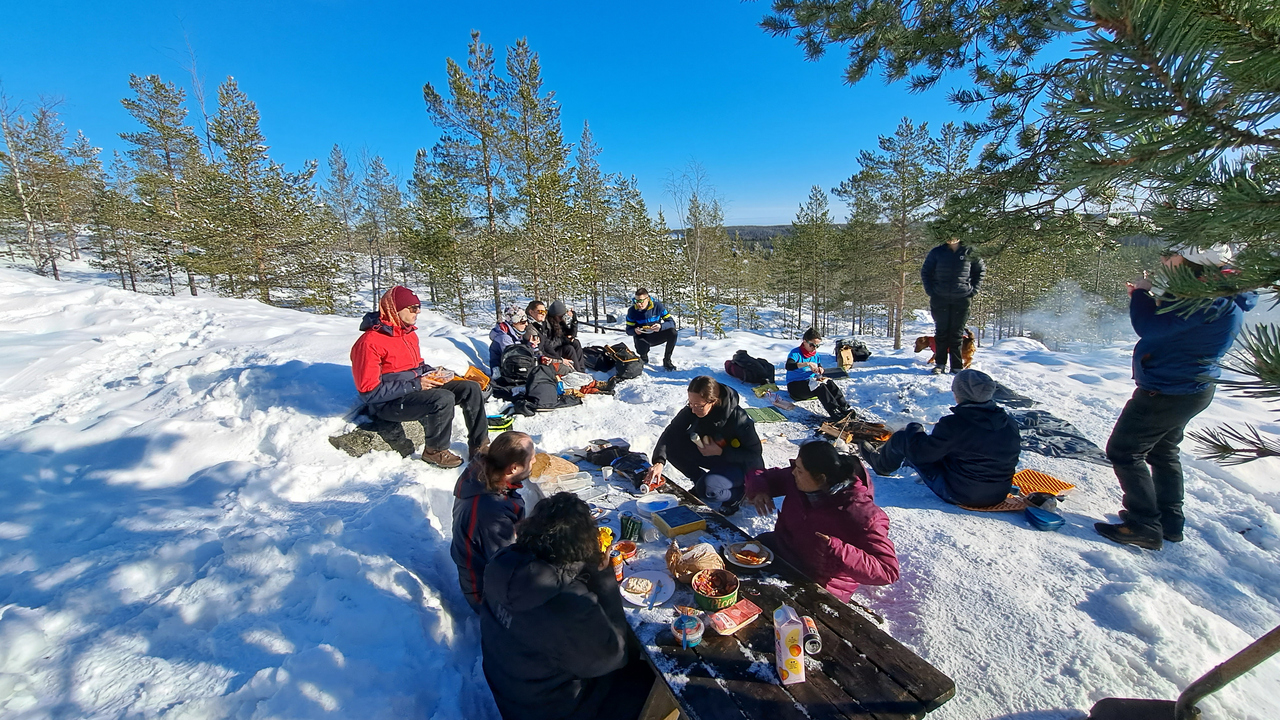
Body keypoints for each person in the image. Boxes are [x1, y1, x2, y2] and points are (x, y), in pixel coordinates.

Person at [1095, 244, 1256, 550]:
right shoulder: (1215, 295)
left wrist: (1142, 294)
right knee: (1162, 451)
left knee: (1124, 451)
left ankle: (1144, 525)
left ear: (1193, 264)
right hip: (1187, 387)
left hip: (1167, 390)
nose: (1164, 260)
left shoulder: (1206, 299)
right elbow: (1177, 326)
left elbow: (1150, 327)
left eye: (1171, 256)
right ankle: (1169, 523)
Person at [481, 492, 653, 720]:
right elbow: (616, 656)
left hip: (512, 692)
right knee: (649, 677)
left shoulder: (504, 563)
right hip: (554, 709)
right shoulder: (568, 603)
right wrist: (603, 578)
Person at [350, 285, 488, 469]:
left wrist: (434, 372)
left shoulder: (408, 334)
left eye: (419, 307)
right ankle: (435, 451)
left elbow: (417, 366)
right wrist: (416, 384)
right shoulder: (369, 342)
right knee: (443, 398)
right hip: (387, 404)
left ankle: (480, 445)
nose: (418, 312)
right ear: (394, 309)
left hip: (413, 390)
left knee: (469, 387)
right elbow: (369, 392)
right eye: (412, 308)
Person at [745, 441, 899, 603]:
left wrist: (839, 550)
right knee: (747, 553)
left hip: (819, 578)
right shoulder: (799, 479)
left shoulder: (860, 513)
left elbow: (888, 570)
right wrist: (760, 489)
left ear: (820, 478)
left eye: (799, 470)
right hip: (787, 549)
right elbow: (759, 475)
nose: (793, 473)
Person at [860, 369, 1021, 507]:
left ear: (961, 394)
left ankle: (882, 465)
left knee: (903, 438)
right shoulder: (1009, 423)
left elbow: (922, 455)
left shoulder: (955, 424)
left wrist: (913, 429)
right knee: (947, 449)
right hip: (999, 492)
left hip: (961, 494)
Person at [643, 376, 764, 509]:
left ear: (713, 401)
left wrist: (721, 452)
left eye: (699, 406)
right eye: (690, 403)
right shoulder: (694, 408)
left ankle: (737, 494)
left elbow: (755, 453)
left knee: (707, 489)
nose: (693, 410)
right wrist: (659, 461)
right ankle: (701, 480)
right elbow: (672, 432)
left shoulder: (738, 419)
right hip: (711, 455)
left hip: (738, 464)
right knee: (672, 446)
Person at [451, 431, 534, 612]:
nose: (534, 462)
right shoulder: (491, 512)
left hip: (486, 565)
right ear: (513, 468)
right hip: (486, 595)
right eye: (531, 459)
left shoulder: (482, 474)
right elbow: (507, 566)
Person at [921, 236, 985, 375]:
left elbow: (979, 271)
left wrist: (972, 290)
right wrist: (931, 291)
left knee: (956, 334)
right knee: (941, 332)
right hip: (940, 298)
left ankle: (956, 366)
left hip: (961, 299)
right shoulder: (937, 252)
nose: (950, 238)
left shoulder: (970, 252)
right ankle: (940, 364)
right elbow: (926, 271)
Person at [785, 328, 853, 420]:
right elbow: (789, 366)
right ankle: (834, 412)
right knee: (820, 387)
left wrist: (820, 369)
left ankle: (844, 407)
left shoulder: (815, 355)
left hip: (810, 382)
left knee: (829, 383)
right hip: (796, 386)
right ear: (804, 342)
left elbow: (819, 365)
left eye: (817, 346)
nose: (814, 348)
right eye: (812, 345)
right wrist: (807, 364)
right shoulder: (795, 353)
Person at [625, 288, 677, 371]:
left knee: (673, 332)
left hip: (656, 333)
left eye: (641, 301)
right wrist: (634, 330)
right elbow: (628, 330)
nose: (639, 304)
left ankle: (667, 360)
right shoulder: (632, 311)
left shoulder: (657, 306)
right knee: (640, 343)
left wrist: (661, 326)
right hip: (642, 336)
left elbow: (671, 322)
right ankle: (644, 356)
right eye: (636, 301)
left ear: (647, 299)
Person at [543, 299, 584, 370]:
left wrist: (574, 320)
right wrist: (564, 340)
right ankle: (578, 372)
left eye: (562, 316)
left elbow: (571, 334)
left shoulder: (559, 323)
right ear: (554, 315)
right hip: (552, 352)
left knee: (575, 343)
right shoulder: (547, 325)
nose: (561, 318)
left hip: (559, 347)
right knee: (569, 349)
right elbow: (548, 345)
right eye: (560, 316)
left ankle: (582, 370)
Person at [490, 305, 531, 373]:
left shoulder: (515, 335)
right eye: (523, 322)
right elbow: (515, 358)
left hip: (513, 371)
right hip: (505, 375)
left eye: (527, 321)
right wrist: (531, 349)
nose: (526, 324)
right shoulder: (504, 338)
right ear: (514, 322)